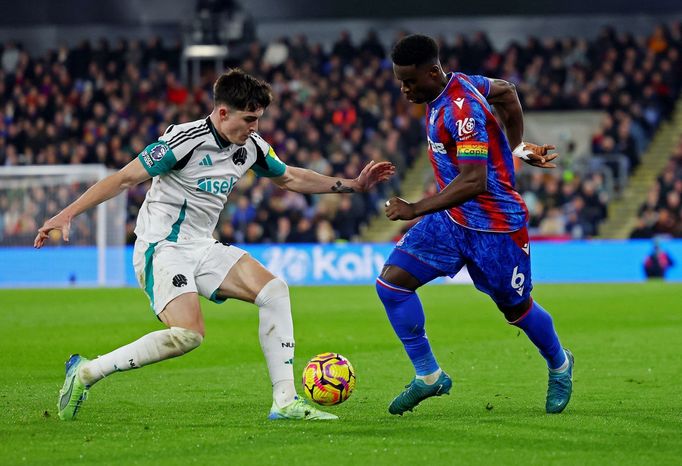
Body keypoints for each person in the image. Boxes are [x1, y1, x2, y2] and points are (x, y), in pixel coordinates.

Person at [34, 69, 395, 422]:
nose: (255, 127)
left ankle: (284, 402)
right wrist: (67, 214)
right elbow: (125, 178)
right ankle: (85, 373)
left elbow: (289, 176)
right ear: (223, 113)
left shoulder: (250, 147)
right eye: (249, 119)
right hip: (162, 247)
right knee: (189, 335)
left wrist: (353, 185)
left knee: (274, 291)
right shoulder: (183, 141)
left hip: (202, 246)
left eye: (259, 119)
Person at [377, 34, 573, 416]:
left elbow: (474, 181)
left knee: (515, 309)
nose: (404, 89)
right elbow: (507, 92)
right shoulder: (454, 85)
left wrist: (415, 208)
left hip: (496, 227)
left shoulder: (460, 110)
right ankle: (429, 376)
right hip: (451, 221)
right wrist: (518, 147)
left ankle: (560, 364)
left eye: (409, 81)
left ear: (433, 72)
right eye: (400, 81)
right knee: (391, 285)